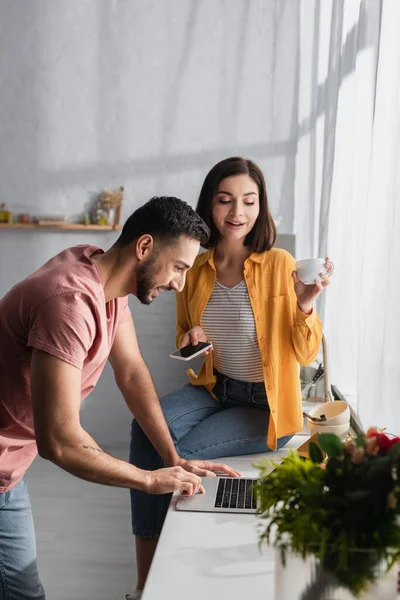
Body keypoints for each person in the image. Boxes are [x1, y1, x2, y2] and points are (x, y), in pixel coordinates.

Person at [0, 196, 238, 600]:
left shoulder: (103, 280)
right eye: (179, 267)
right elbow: (58, 441)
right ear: (144, 247)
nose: (181, 283)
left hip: (9, 467)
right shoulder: (69, 304)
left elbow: (130, 371)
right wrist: (147, 479)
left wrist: (173, 457)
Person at [128, 157, 332, 599]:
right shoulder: (195, 268)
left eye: (248, 201)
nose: (237, 212)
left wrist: (306, 304)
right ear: (209, 206)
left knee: (171, 452)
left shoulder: (280, 264)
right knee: (146, 426)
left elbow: (304, 352)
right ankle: (145, 580)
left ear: (261, 208)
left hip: (265, 407)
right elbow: (185, 342)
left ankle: (162, 579)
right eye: (225, 201)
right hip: (214, 389)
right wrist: (191, 341)